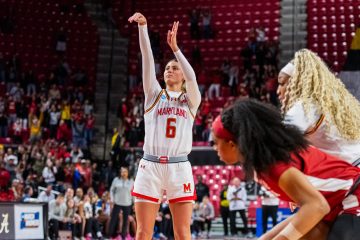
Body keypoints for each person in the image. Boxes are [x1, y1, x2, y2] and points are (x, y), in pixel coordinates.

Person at [211, 99, 360, 240]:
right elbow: (306, 213)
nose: (214, 148)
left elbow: (317, 206)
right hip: (334, 204)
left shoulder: (274, 165)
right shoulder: (261, 165)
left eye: (216, 142)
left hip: (353, 194)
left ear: (231, 144)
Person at [128, 12, 201, 240]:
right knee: (143, 232)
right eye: (168, 68)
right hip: (150, 165)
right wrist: (143, 28)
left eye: (174, 68)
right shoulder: (153, 95)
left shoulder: (191, 100)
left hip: (179, 167)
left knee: (182, 232)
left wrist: (176, 49)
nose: (169, 70)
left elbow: (193, 78)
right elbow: (147, 59)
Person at [277, 49, 360, 166]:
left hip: (353, 169)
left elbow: (279, 143)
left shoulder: (304, 106)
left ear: (296, 82)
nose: (278, 91)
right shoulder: (337, 100)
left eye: (282, 83)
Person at [109, 167, 134, 239]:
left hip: (127, 203)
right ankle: (109, 235)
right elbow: (111, 190)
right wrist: (112, 199)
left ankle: (123, 236)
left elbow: (133, 193)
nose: (124, 173)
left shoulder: (131, 181)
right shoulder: (116, 180)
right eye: (122, 172)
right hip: (117, 203)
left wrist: (134, 203)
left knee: (126, 221)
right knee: (113, 220)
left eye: (125, 172)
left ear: (128, 173)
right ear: (120, 172)